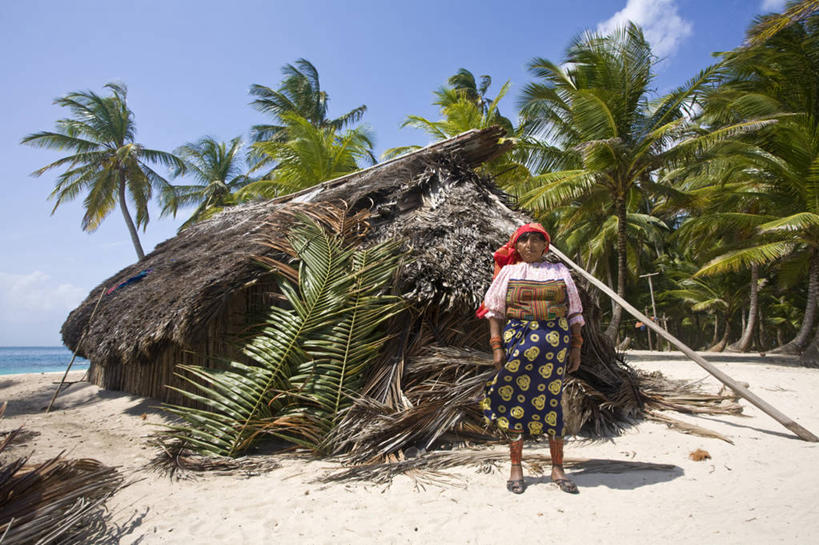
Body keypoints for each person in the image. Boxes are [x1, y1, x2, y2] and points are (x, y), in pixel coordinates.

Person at [478, 223, 584, 494]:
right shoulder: (510, 272)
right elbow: (495, 311)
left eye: (537, 240)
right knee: (515, 400)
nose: (530, 246)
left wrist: (576, 347)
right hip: (518, 343)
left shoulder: (559, 271)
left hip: (554, 348)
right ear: (516, 245)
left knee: (552, 402)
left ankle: (557, 468)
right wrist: (496, 346)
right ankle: (516, 466)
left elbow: (573, 313)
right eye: (524, 241)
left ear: (545, 245)